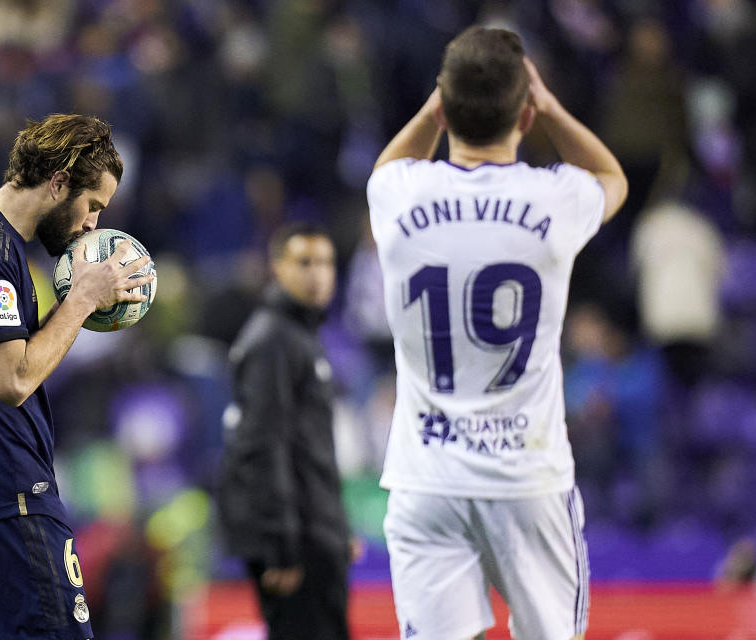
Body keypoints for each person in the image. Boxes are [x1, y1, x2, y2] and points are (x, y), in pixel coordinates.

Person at [366, 28, 628, 640]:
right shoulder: (555, 198)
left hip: (426, 475)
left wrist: (436, 107)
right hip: (527, 479)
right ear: (527, 112)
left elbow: (387, 166)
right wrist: (555, 109)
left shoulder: (398, 196)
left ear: (443, 106)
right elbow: (611, 176)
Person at [0, 113, 154, 640]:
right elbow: (12, 381)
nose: (93, 223)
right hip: (8, 503)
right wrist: (83, 300)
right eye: (93, 206)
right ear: (59, 182)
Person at [218, 222, 353, 640]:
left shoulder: (299, 335)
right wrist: (282, 549)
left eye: (326, 263)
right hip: (297, 540)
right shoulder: (273, 340)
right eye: (304, 262)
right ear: (278, 268)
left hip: (314, 529)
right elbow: (262, 445)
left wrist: (337, 527)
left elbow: (309, 446)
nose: (317, 274)